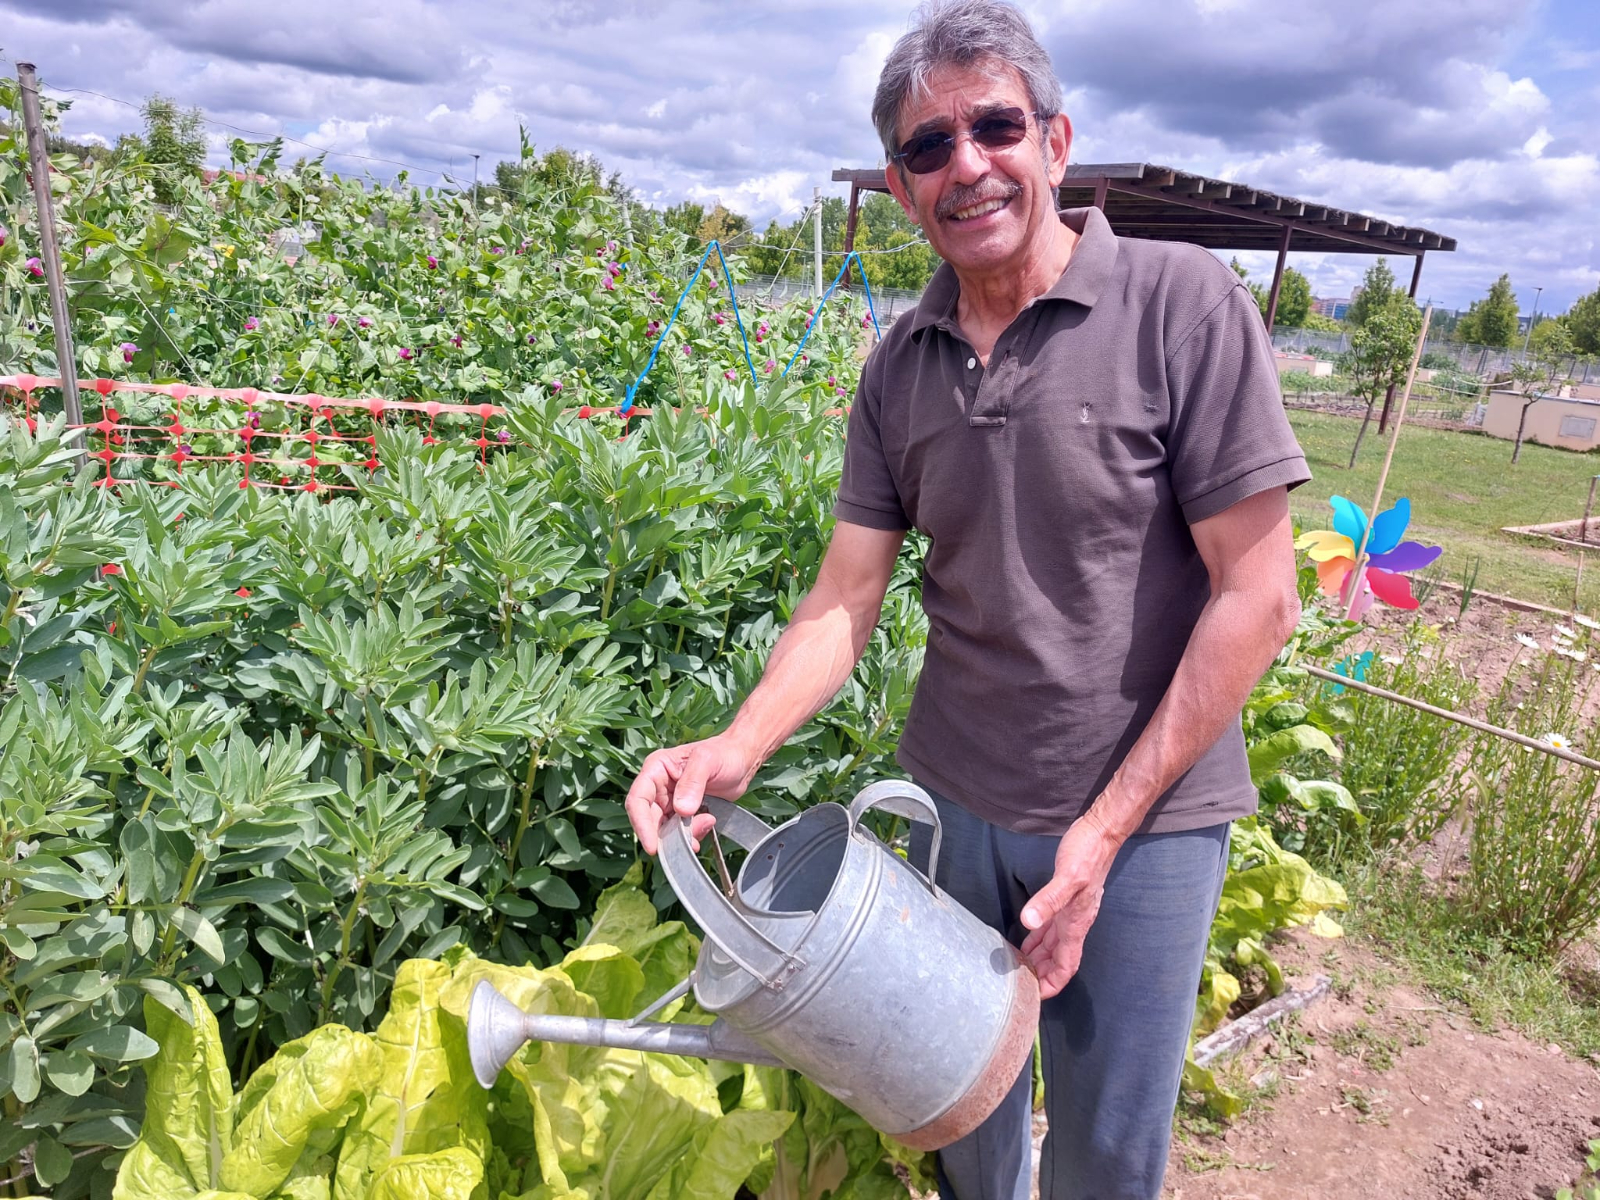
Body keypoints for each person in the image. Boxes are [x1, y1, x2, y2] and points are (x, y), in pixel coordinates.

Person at [625, 2, 1310, 1196]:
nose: (966, 165)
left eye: (993, 125)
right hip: (955, 808)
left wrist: (1098, 840)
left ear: (1054, 140)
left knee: (1105, 1145)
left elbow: (1258, 597)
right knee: (956, 1107)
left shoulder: (1179, 304)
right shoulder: (900, 362)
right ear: (900, 188)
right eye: (928, 147)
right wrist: (736, 745)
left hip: (1143, 824)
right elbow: (846, 593)